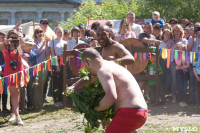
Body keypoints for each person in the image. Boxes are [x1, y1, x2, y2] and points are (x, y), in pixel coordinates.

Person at [67, 48, 147, 133]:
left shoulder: (103, 71)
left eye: (85, 66)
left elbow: (111, 96)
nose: (86, 69)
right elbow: (90, 78)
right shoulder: (110, 65)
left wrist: (94, 110)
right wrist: (74, 86)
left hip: (129, 113)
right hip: (141, 111)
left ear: (87, 62)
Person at [0, 30, 35, 125]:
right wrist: (5, 42)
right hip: (10, 74)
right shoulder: (4, 46)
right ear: (8, 37)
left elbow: (33, 45)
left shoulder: (19, 46)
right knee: (13, 93)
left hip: (19, 73)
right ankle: (18, 116)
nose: (13, 39)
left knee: (17, 93)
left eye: (15, 37)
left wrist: (23, 41)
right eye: (12, 37)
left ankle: (13, 113)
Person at [32, 27, 50, 108]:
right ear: (35, 34)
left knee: (42, 85)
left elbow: (47, 54)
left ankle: (40, 102)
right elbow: (36, 53)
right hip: (37, 67)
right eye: (38, 32)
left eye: (41, 32)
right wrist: (42, 44)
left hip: (44, 66)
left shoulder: (45, 42)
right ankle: (35, 103)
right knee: (36, 85)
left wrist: (46, 45)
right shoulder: (33, 43)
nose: (39, 33)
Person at [49, 26, 67, 108]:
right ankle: (56, 100)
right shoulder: (52, 42)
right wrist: (57, 65)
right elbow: (52, 54)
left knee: (62, 81)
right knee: (55, 81)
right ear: (55, 33)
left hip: (63, 62)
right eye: (58, 32)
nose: (60, 33)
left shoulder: (64, 42)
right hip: (55, 62)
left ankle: (61, 98)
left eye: (61, 32)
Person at [187, 22, 200, 104]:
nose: (197, 29)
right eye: (196, 28)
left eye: (198, 28)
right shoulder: (191, 38)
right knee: (192, 82)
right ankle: (193, 100)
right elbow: (188, 48)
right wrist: (193, 37)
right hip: (193, 63)